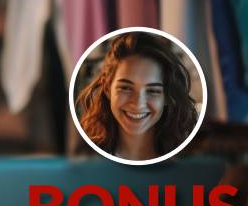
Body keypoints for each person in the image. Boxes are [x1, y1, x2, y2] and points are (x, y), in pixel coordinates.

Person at [76, 32, 197, 161]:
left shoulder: (191, 160)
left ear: (167, 97)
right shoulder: (85, 161)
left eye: (152, 91)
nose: (138, 103)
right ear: (107, 88)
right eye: (126, 88)